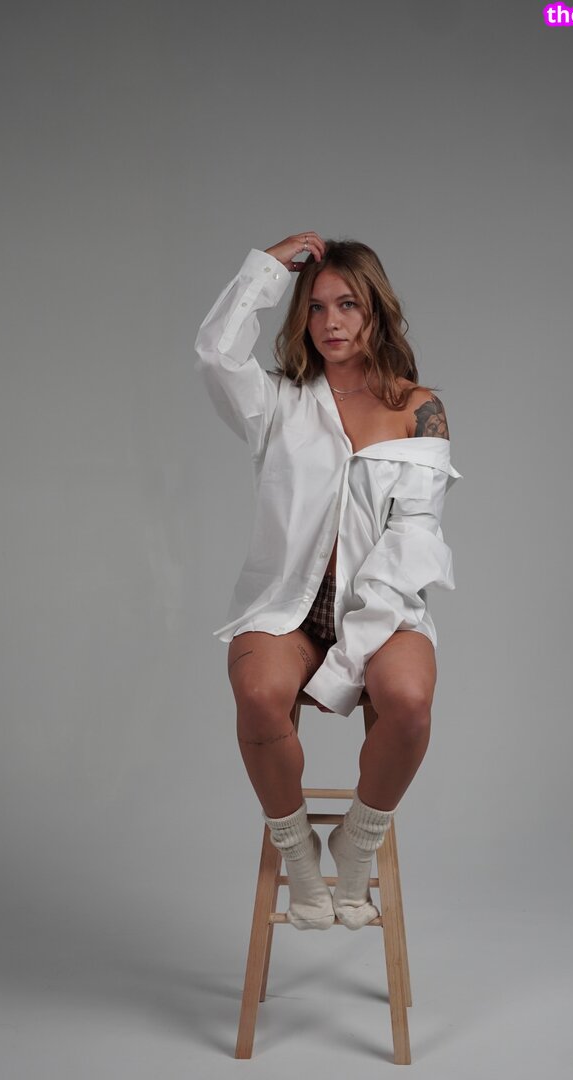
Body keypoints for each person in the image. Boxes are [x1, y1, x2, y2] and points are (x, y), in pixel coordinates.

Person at [194, 231, 461, 931]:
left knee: (409, 702)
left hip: (383, 606)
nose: (331, 322)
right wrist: (267, 268)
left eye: (348, 305)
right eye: (316, 307)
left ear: (377, 311)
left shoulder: (419, 409)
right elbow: (216, 353)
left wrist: (349, 661)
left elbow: (414, 540)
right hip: (287, 606)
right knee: (258, 695)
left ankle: (357, 840)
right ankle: (301, 857)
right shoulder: (278, 403)